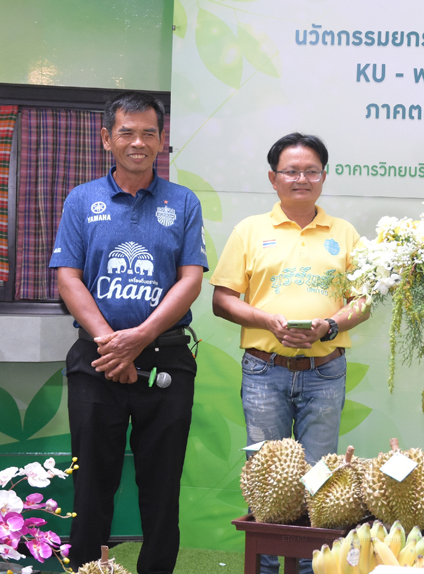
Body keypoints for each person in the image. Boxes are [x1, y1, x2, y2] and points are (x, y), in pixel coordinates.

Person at [49, 91, 207, 574]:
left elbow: (191, 278)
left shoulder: (182, 202)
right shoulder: (82, 199)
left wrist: (139, 338)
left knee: (161, 486)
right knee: (92, 481)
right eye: (126, 132)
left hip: (167, 360)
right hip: (97, 361)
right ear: (106, 138)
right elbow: (67, 277)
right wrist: (111, 343)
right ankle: (86, 569)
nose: (137, 142)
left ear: (162, 141)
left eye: (148, 133)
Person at [210, 133, 368, 574]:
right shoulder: (249, 230)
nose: (302, 178)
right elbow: (222, 300)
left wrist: (330, 325)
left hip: (325, 371)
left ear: (323, 177)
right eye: (291, 171)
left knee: (321, 479)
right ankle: (263, 570)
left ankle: (309, 569)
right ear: (273, 178)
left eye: (311, 171)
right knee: (266, 479)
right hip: (265, 371)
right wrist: (267, 321)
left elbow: (364, 300)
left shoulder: (345, 233)